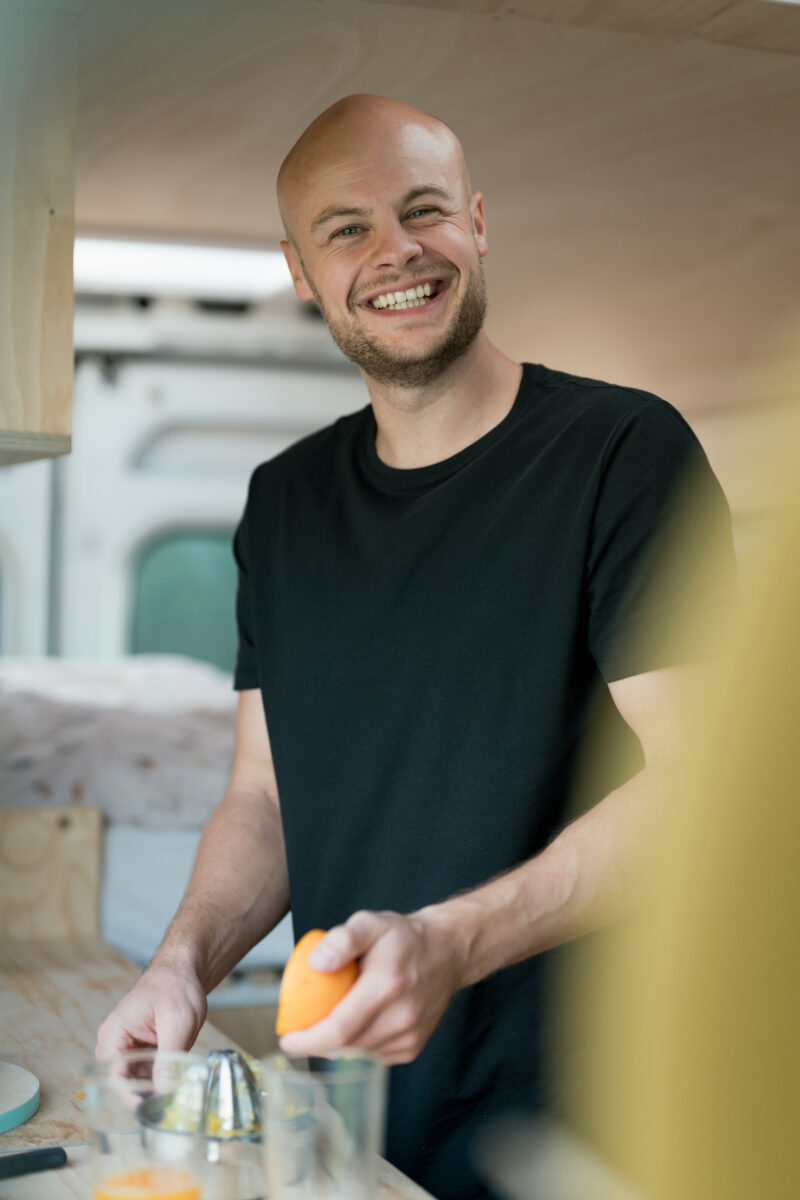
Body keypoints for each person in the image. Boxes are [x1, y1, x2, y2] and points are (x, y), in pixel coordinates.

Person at [96, 94, 736, 1199]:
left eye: (423, 209)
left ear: (477, 224)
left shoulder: (621, 453)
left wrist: (451, 943)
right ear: (300, 272)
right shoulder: (283, 504)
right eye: (345, 228)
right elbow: (263, 800)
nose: (395, 251)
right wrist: (177, 967)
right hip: (347, 1121)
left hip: (582, 1136)